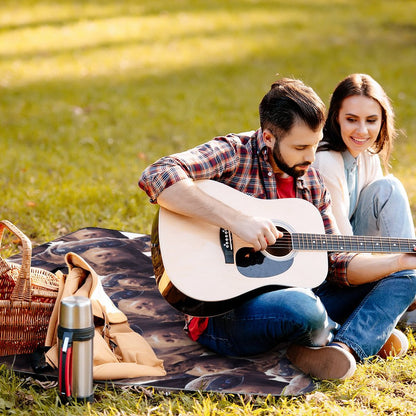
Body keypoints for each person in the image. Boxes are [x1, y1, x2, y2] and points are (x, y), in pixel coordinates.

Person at [139, 77, 416, 381]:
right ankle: (355, 331)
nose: (311, 158)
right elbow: (158, 174)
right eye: (300, 147)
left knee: (407, 277)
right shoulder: (234, 152)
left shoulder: (310, 180)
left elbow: (337, 262)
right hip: (224, 312)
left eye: (315, 144)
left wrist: (397, 261)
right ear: (269, 138)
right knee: (303, 308)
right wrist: (236, 220)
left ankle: (345, 347)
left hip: (303, 293)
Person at [312, 73, 416, 349]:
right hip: (334, 271)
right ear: (335, 118)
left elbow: (381, 225)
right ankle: (403, 291)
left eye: (371, 120)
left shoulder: (367, 155)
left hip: (365, 257)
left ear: (382, 120)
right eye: (351, 119)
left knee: (388, 187)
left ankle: (404, 292)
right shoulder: (326, 160)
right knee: (391, 187)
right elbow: (342, 251)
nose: (362, 131)